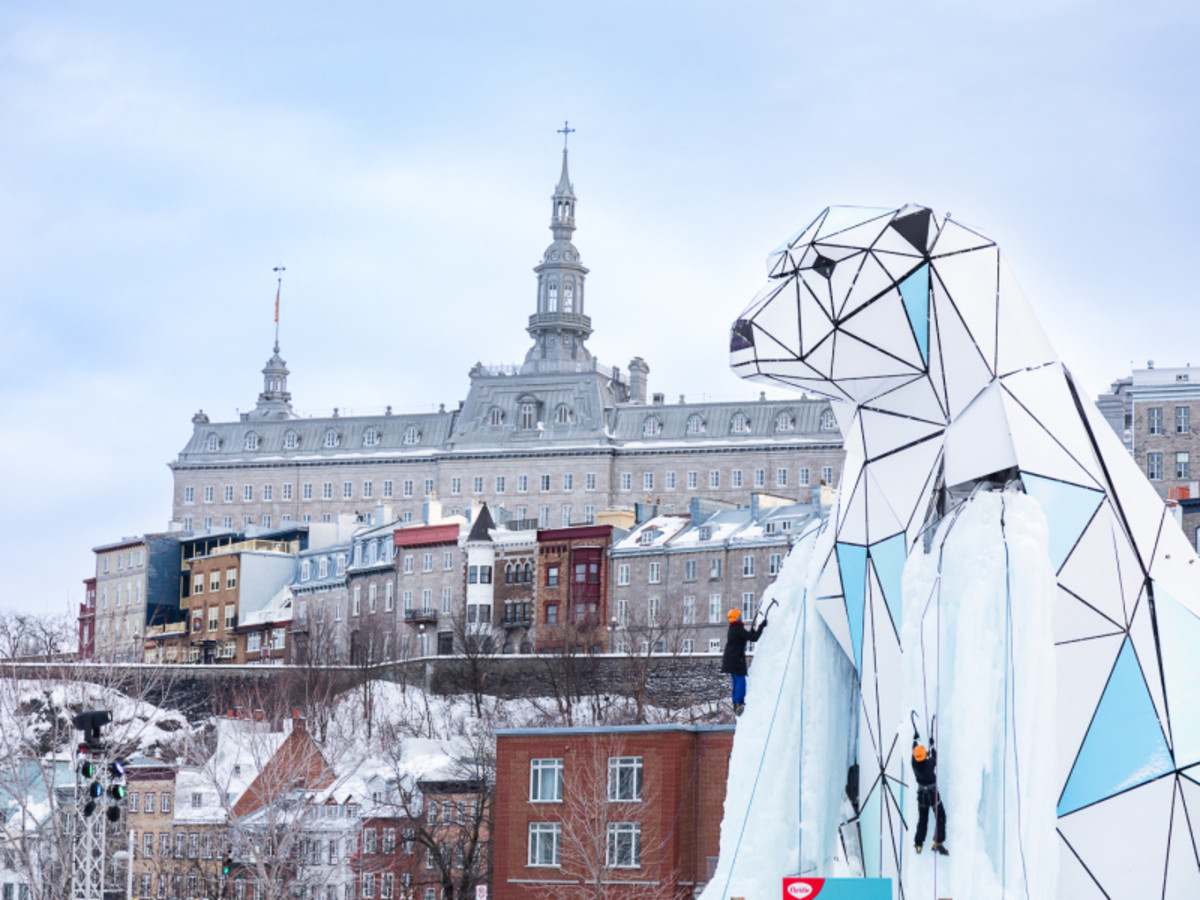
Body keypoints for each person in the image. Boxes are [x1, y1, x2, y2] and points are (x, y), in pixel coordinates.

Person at [721, 608, 767, 716]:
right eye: (740, 616)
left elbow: (746, 637)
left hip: (730, 658)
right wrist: (761, 627)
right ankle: (739, 703)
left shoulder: (734, 628)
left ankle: (735, 703)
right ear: (737, 618)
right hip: (735, 659)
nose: (741, 618)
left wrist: (752, 632)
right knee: (741, 681)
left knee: (736, 681)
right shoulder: (738, 629)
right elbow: (754, 638)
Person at [912, 731, 948, 855]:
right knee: (941, 817)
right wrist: (932, 747)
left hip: (922, 796)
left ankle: (918, 844)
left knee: (922, 820)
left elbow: (915, 754)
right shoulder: (929, 764)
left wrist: (914, 741)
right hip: (932, 795)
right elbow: (935, 758)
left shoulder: (914, 764)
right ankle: (938, 842)